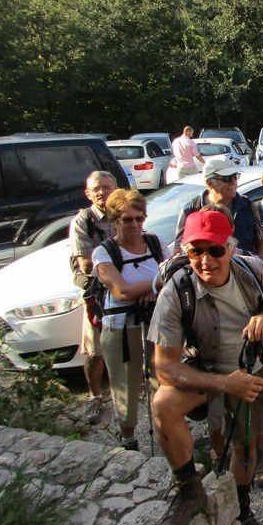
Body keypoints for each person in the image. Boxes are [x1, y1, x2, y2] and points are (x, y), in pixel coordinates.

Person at [148, 210, 263, 525]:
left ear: (230, 247)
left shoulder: (254, 271)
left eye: (215, 250)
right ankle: (190, 490)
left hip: (253, 371)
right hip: (208, 371)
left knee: (245, 447)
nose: (205, 261)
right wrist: (223, 383)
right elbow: (163, 365)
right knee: (163, 404)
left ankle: (243, 513)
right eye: (195, 251)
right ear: (185, 252)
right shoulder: (177, 289)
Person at [93, 189, 171, 450]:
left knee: (161, 380)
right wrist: (154, 284)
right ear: (114, 220)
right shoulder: (104, 253)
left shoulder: (154, 243)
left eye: (139, 218)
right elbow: (122, 291)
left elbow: (173, 274)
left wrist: (152, 289)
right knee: (125, 385)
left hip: (154, 322)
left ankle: (167, 434)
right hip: (121, 329)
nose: (135, 225)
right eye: (128, 219)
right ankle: (129, 438)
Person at [69, 171, 117, 424]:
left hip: (122, 291)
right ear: (88, 194)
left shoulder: (122, 215)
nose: (103, 192)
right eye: (97, 189)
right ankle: (94, 395)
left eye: (107, 187)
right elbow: (87, 264)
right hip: (96, 294)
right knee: (94, 349)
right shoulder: (83, 222)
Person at [175, 160, 263, 260]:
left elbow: (262, 241)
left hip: (243, 272)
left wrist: (257, 265)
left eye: (235, 177)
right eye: (227, 179)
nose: (233, 182)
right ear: (210, 183)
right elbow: (179, 250)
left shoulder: (248, 206)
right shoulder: (191, 210)